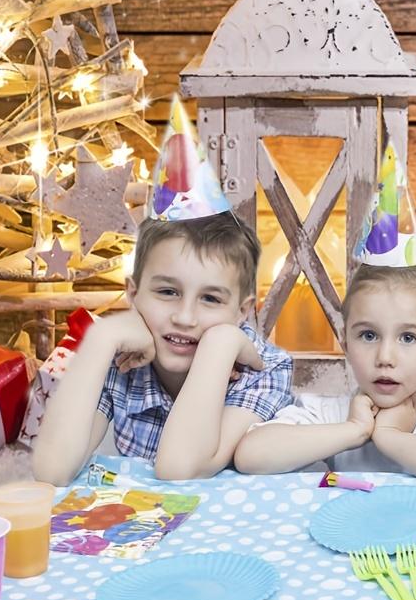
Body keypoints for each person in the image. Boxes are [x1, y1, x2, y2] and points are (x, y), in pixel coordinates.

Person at [32, 98, 291, 486]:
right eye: (168, 292)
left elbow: (179, 468)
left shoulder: (264, 369)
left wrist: (221, 343)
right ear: (133, 294)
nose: (185, 317)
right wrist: (104, 335)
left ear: (243, 311)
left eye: (211, 299)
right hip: (148, 534)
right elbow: (51, 471)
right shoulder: (121, 365)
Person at [235, 143, 416, 477]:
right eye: (368, 335)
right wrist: (355, 430)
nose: (385, 356)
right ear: (345, 341)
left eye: (408, 337)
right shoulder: (332, 412)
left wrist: (389, 437)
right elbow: (252, 455)